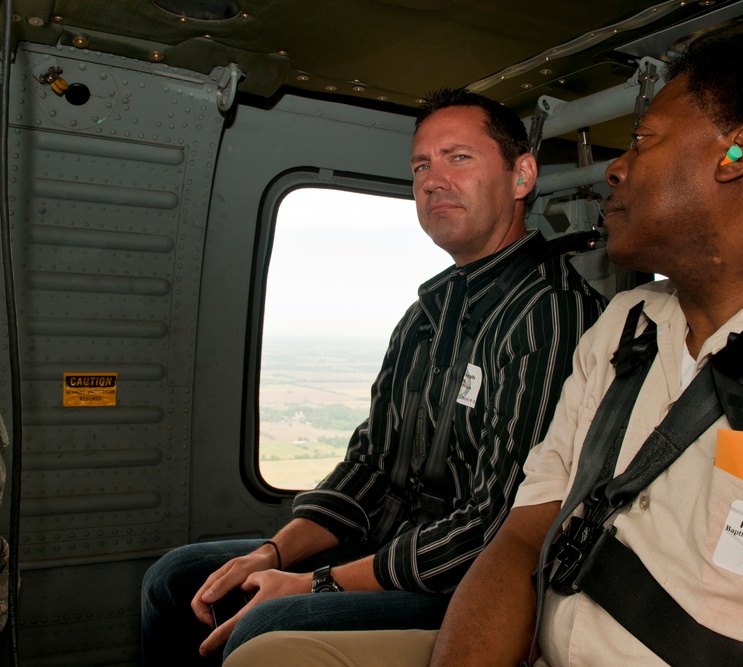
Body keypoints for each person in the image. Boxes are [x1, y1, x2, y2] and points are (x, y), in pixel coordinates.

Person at [224, 38, 743, 667]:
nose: (616, 168)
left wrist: (319, 576)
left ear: (736, 156)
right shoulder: (626, 327)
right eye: (421, 165)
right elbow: (522, 536)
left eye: (642, 140)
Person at [139, 88, 606, 665]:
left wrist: (318, 584)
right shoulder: (425, 316)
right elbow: (369, 466)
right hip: (392, 547)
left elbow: (493, 528)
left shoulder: (550, 314)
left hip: (467, 582)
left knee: (262, 628)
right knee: (176, 578)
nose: (433, 180)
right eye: (420, 166)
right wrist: (274, 554)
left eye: (459, 158)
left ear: (522, 175)